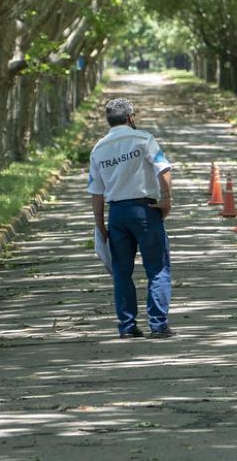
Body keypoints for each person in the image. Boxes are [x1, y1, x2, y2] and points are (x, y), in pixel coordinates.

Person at [87, 98, 174, 339]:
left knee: (121, 272)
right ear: (130, 117)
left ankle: (127, 326)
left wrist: (99, 224)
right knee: (157, 268)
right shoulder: (143, 139)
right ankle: (158, 324)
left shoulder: (99, 148)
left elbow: (96, 192)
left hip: (117, 214)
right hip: (144, 211)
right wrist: (166, 199)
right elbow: (163, 169)